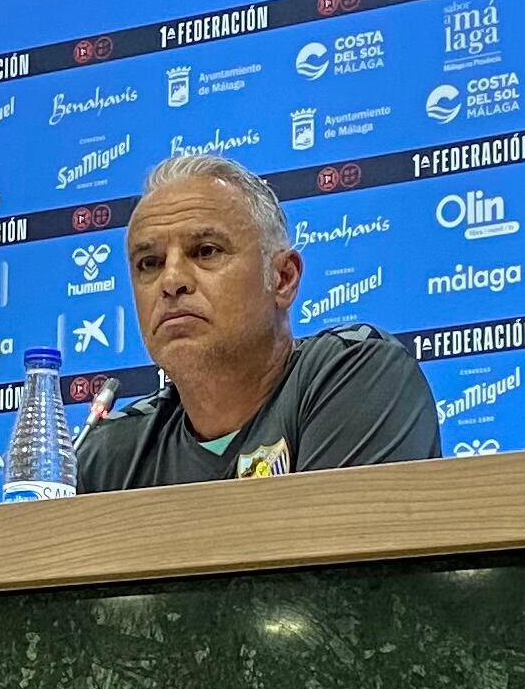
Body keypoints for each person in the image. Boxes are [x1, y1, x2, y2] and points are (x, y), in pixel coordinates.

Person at [76, 153, 440, 492]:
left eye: (206, 252)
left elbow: (336, 555)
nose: (171, 281)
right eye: (149, 263)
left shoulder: (356, 375)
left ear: (282, 278)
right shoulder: (112, 452)